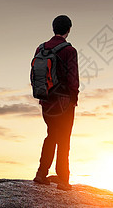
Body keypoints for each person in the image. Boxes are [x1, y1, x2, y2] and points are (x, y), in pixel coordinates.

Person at [33, 15, 79, 191]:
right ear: (68, 29)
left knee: (51, 135)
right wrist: (74, 98)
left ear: (53, 28)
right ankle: (63, 180)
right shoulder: (69, 51)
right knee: (64, 139)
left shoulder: (41, 48)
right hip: (64, 102)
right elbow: (73, 78)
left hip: (46, 101)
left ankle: (41, 174)